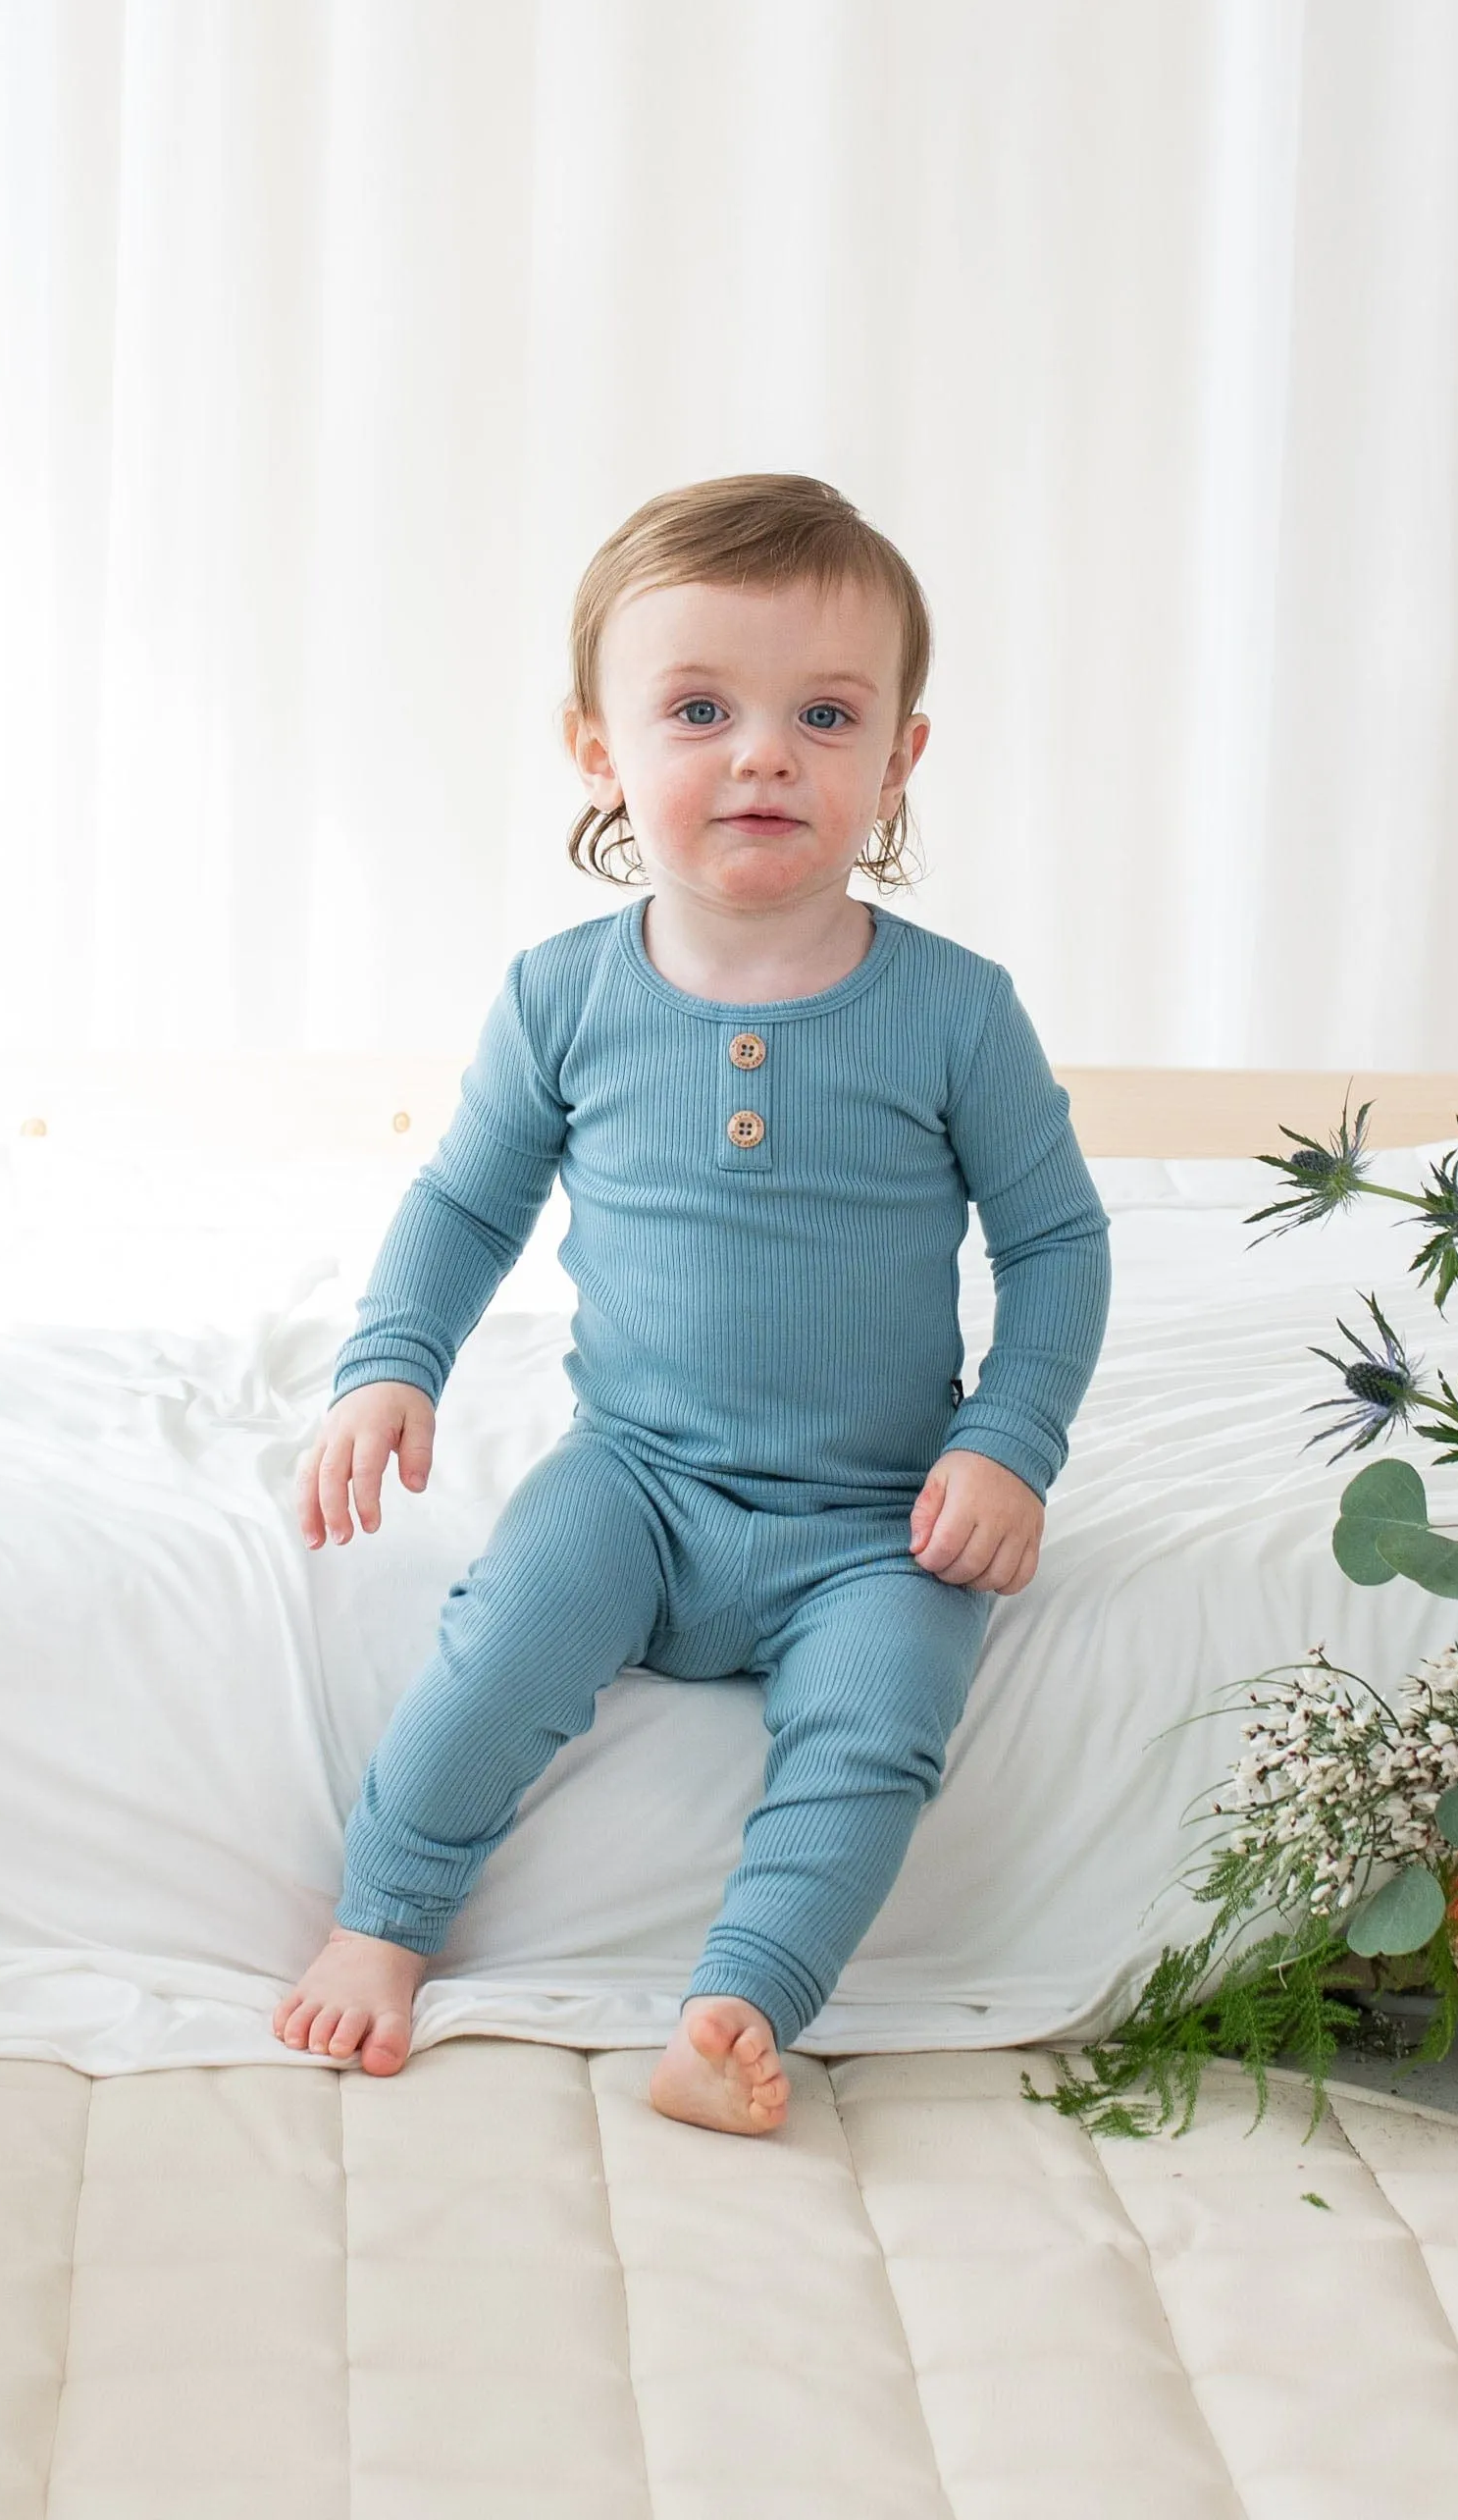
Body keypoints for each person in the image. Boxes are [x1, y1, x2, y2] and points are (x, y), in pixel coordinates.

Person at [273, 474, 1111, 2133]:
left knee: (877, 1736)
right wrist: (392, 1365)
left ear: (898, 760)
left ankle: (740, 2004)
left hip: (881, 1514)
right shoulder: (563, 996)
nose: (763, 753)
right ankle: (383, 1922)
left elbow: (1059, 1246)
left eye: (824, 713)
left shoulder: (954, 1012)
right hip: (641, 1480)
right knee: (497, 1643)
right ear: (600, 750)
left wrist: (1011, 1444)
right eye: (701, 710)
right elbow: (464, 1201)